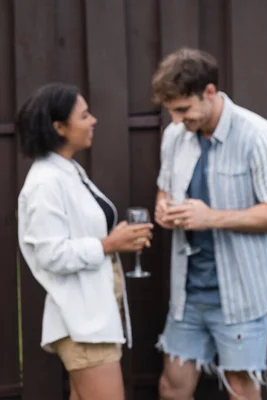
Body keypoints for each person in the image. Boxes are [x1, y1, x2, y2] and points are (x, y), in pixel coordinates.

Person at [151, 48, 267, 400]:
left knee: (241, 390)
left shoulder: (259, 137)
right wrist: (163, 209)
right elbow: (163, 190)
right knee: (172, 386)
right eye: (171, 110)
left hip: (242, 293)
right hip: (188, 291)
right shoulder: (176, 135)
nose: (175, 119)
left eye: (183, 110)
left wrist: (211, 218)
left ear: (210, 92)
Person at [16, 83, 153, 400]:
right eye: (85, 115)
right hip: (82, 323)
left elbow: (79, 233)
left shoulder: (68, 170)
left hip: (93, 318)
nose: (93, 121)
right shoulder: (45, 182)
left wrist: (116, 239)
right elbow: (50, 253)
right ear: (59, 127)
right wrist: (108, 244)